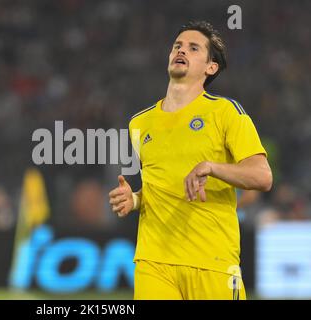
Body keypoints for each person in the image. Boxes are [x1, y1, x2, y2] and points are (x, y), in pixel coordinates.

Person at [108, 21, 272, 300]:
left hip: (213, 261)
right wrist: (135, 199)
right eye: (177, 46)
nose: (181, 51)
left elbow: (263, 176)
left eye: (193, 48)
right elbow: (162, 184)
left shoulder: (226, 112)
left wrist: (212, 167)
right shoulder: (139, 123)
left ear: (211, 67)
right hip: (153, 262)